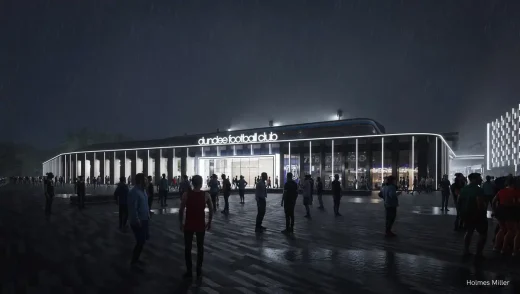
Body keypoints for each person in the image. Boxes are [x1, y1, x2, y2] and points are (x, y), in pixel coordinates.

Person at [179, 175, 213, 278]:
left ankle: (189, 270)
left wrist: (181, 222)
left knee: (188, 248)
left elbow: (181, 210)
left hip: (189, 224)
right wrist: (209, 222)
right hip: (200, 224)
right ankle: (199, 269)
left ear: (192, 183)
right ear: (201, 183)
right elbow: (211, 209)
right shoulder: (206, 195)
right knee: (200, 247)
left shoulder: (186, 194)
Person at [458, 173, 487, 258]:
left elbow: (459, 201)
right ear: (474, 179)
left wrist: (460, 213)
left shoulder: (463, 189)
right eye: (479, 178)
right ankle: (479, 253)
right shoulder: (479, 190)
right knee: (483, 234)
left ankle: (466, 250)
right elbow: (480, 203)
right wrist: (483, 212)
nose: (481, 179)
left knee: (469, 231)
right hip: (477, 214)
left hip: (466, 214)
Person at [128, 173, 150, 266]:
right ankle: (134, 260)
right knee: (140, 241)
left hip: (145, 219)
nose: (147, 181)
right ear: (141, 181)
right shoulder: (134, 192)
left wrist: (148, 214)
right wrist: (137, 220)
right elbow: (133, 208)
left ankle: (136, 259)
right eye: (145, 180)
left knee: (142, 240)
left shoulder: (143, 191)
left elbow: (145, 204)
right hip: (139, 221)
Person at [491, 176, 516, 254]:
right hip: (510, 211)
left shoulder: (501, 191)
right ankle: (504, 248)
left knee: (502, 229)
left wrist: (495, 210)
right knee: (510, 230)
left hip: (500, 211)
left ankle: (496, 246)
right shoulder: (516, 191)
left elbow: (493, 201)